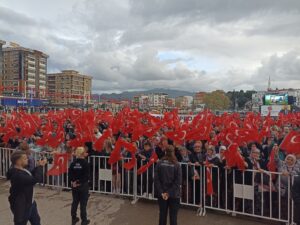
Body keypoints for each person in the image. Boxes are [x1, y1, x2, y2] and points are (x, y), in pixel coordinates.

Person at [6, 150, 47, 225]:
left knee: (36, 221)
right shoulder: (17, 175)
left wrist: (38, 166)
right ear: (18, 161)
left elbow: (30, 174)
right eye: (25, 158)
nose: (27, 159)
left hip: (30, 202)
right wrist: (41, 166)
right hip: (22, 205)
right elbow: (35, 179)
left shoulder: (22, 170)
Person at [154, 145, 182, 225]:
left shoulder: (159, 163)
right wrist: (168, 193)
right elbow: (178, 181)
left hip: (162, 194)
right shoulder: (177, 165)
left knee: (162, 215)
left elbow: (156, 179)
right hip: (174, 194)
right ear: (173, 153)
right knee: (173, 217)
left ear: (165, 152)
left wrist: (162, 192)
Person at [69, 147, 90, 225]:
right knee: (83, 204)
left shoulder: (73, 163)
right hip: (83, 185)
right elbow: (86, 176)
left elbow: (70, 175)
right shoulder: (85, 163)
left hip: (75, 185)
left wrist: (74, 182)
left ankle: (74, 218)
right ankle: (84, 220)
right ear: (82, 154)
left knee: (75, 202)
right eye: (84, 152)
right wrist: (79, 182)